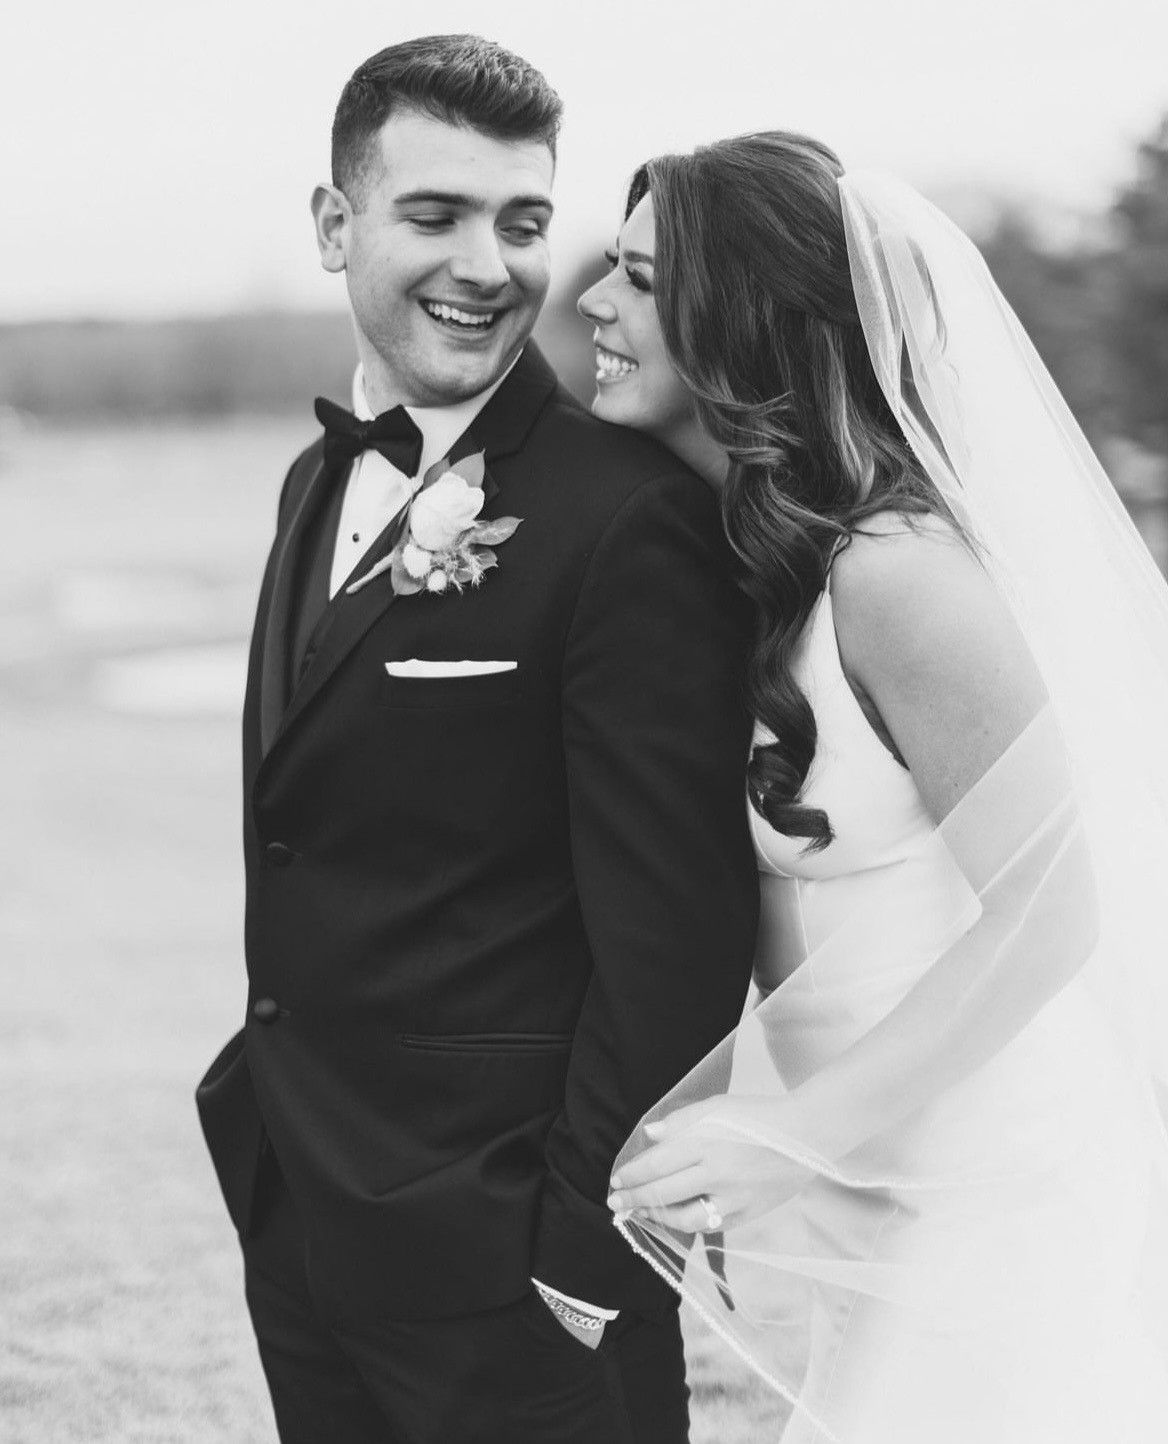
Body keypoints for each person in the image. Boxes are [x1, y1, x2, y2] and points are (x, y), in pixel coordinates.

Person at [195, 36, 759, 1444]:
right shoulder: (309, 484)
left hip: (521, 1279)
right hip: (307, 1220)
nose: (489, 264)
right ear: (336, 226)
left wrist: (582, 1259)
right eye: (434, 215)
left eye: (521, 221)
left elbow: (676, 934)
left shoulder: (629, 522)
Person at [579, 132, 1168, 1440]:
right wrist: (684, 1123)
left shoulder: (901, 580)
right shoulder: (768, 573)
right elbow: (802, 933)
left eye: (633, 280)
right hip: (887, 1206)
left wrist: (791, 1136)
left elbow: (1050, 909)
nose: (589, 305)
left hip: (1003, 1204)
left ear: (737, 317)